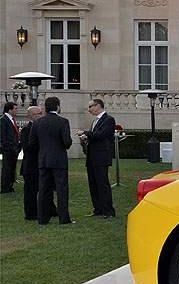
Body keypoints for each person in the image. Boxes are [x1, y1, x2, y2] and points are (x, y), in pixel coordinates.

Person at [30, 96, 73, 225]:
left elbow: (32, 143)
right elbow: (67, 143)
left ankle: (42, 218)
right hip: (59, 160)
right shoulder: (63, 121)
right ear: (58, 106)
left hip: (43, 160)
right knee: (61, 190)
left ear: (45, 108)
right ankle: (63, 218)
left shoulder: (38, 122)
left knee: (43, 189)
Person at [76, 99, 116, 218]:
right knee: (93, 184)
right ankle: (98, 209)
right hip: (92, 157)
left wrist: (85, 133)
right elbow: (95, 137)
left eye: (90, 106)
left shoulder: (108, 119)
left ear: (98, 106)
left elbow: (101, 135)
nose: (89, 109)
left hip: (101, 157)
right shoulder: (95, 121)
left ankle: (108, 211)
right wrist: (86, 138)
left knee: (102, 184)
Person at [20, 106, 56, 221]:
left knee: (46, 188)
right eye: (38, 114)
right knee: (31, 191)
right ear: (30, 116)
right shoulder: (27, 129)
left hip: (43, 163)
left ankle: (51, 210)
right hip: (31, 166)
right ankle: (30, 213)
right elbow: (28, 147)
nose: (41, 116)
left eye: (41, 113)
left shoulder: (41, 127)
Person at [1, 102, 19, 193]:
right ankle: (5, 187)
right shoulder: (4, 120)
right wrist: (8, 148)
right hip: (8, 149)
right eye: (15, 108)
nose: (16, 110)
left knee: (12, 168)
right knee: (7, 168)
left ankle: (10, 186)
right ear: (9, 109)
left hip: (13, 149)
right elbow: (3, 136)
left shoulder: (11, 119)